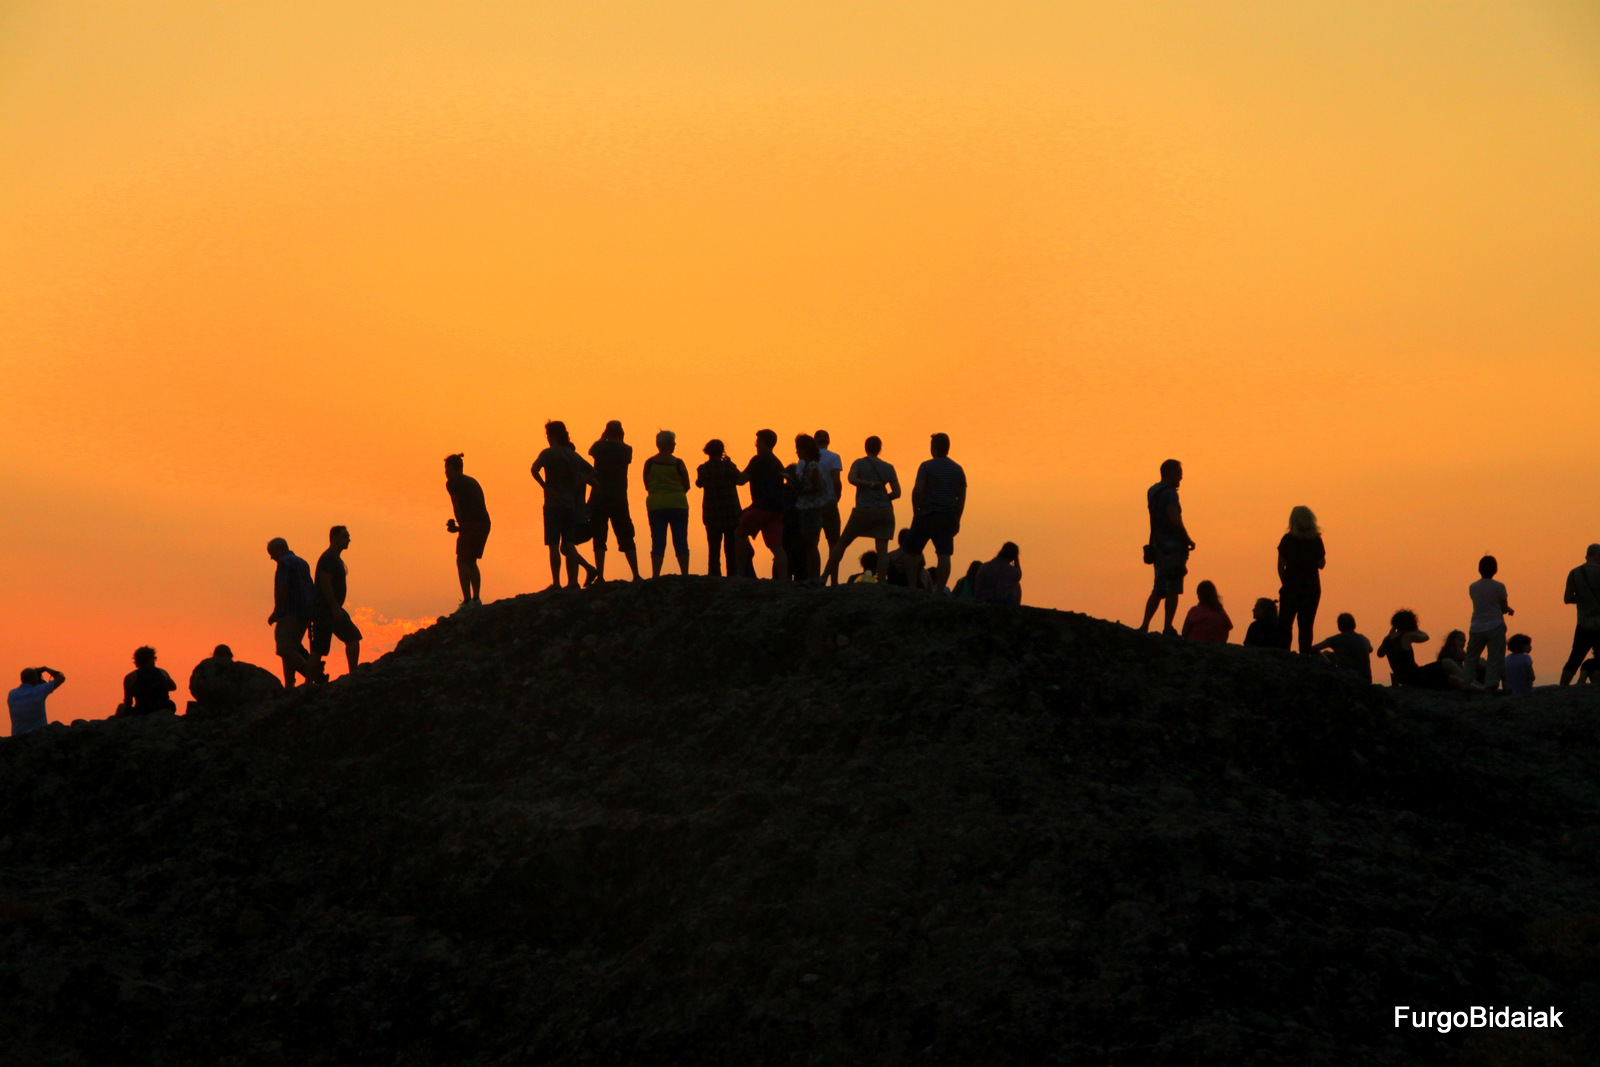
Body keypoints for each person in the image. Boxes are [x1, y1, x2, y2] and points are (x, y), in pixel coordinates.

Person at [821, 436, 901, 585]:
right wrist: (884, 498)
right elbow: (897, 492)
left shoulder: (859, 463)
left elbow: (851, 479)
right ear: (879, 449)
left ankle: (825, 576)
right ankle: (882, 582)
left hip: (863, 509)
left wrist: (869, 484)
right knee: (882, 550)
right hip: (885, 511)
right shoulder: (889, 468)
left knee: (841, 543)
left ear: (865, 447)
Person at [531, 420, 599, 589]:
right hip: (570, 505)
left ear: (552, 435)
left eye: (548, 435)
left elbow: (534, 469)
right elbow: (593, 471)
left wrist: (545, 487)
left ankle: (556, 582)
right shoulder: (573, 455)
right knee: (569, 543)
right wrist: (578, 482)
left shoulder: (548, 453)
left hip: (553, 504)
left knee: (554, 544)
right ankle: (573, 581)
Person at [1139, 459, 1195, 636]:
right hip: (1172, 546)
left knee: (1158, 588)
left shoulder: (1152, 491)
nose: (1181, 478)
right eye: (1179, 474)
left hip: (1157, 545)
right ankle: (1167, 627)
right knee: (1173, 588)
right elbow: (1174, 518)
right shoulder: (1170, 494)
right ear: (1170, 473)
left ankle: (1144, 625)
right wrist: (1187, 539)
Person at [905, 433, 967, 592]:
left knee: (911, 551)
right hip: (947, 517)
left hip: (926, 514)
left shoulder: (926, 466)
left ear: (934, 448)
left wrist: (916, 512)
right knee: (944, 554)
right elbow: (961, 499)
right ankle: (939, 589)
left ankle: (912, 586)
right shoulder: (958, 470)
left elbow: (917, 491)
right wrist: (957, 519)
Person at [587, 421, 642, 582]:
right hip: (619, 498)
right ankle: (636, 574)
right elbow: (627, 457)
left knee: (599, 536)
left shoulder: (599, 447)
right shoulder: (626, 449)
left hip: (599, 497)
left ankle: (601, 575)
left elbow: (591, 450)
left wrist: (602, 438)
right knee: (626, 535)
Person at [266, 537, 326, 687]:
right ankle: (290, 685)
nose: (271, 557)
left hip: (290, 612)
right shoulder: (302, 562)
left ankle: (314, 675)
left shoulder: (284, 563)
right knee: (291, 649)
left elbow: (282, 588)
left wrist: (276, 611)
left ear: (280, 549)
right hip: (304, 613)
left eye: (272, 553)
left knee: (284, 648)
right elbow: (310, 587)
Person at [734, 429, 789, 580]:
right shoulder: (778, 462)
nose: (756, 444)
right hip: (777, 509)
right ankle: (784, 579)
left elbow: (741, 480)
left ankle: (740, 573)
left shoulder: (758, 460)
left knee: (739, 534)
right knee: (776, 546)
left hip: (760, 507)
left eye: (758, 440)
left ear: (764, 442)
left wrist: (732, 470)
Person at [310, 525, 362, 677]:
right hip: (326, 609)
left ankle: (353, 673)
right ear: (334, 538)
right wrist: (334, 608)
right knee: (321, 647)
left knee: (350, 638)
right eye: (345, 536)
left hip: (330, 609)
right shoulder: (328, 558)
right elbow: (325, 583)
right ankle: (353, 674)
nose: (349, 540)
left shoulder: (335, 558)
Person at [1377, 610, 1468, 690]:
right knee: (1448, 664)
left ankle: (1475, 685)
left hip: (1403, 678)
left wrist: (1388, 637)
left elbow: (1380, 654)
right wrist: (1415, 629)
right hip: (1415, 675)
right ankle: (1471, 683)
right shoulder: (1407, 636)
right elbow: (1425, 637)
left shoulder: (1387, 639)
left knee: (1449, 677)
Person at [643, 430, 692, 577]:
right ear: (669, 444)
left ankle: (656, 574)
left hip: (656, 504)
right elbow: (687, 484)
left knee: (657, 540)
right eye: (674, 442)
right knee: (680, 539)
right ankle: (685, 573)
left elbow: (647, 484)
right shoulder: (678, 463)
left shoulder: (650, 463)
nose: (675, 445)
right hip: (678, 503)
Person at [1277, 506, 1326, 654]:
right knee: (1306, 625)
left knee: (1285, 624)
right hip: (1311, 587)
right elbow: (1321, 564)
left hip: (1290, 587)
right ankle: (1305, 655)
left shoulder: (1287, 539)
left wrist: (1285, 582)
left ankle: (1284, 654)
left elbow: (1280, 566)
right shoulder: (1316, 540)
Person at [444, 453, 490, 609]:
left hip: (471, 522)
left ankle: (467, 601)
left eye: (446, 468)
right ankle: (476, 599)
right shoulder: (472, 480)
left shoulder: (452, 482)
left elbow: (456, 504)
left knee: (462, 560)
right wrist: (461, 526)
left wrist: (460, 525)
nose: (445, 472)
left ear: (452, 468)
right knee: (471, 561)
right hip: (484, 522)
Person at [1464, 555, 1513, 691]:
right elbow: (1502, 608)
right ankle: (1491, 684)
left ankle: (1466, 681)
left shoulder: (1473, 587)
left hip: (1476, 626)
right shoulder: (1499, 586)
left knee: (1471, 658)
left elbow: (1482, 604)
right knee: (1494, 657)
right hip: (1495, 625)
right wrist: (1508, 610)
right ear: (1496, 570)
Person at [696, 439, 742, 577]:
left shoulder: (703, 469)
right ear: (722, 451)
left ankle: (714, 574)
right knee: (731, 549)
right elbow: (739, 479)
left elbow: (699, 483)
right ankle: (732, 575)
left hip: (712, 514)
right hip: (731, 513)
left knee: (714, 549)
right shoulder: (728, 467)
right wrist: (729, 462)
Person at [789, 434, 829, 584]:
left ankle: (813, 577)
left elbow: (816, 486)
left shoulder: (811, 466)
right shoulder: (810, 465)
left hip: (811, 509)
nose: (797, 452)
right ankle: (812, 577)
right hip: (809, 508)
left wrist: (799, 491)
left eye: (798, 449)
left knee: (811, 544)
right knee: (810, 544)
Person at [1561, 544, 1600, 686]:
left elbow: (1567, 599)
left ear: (1587, 556)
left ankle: (1562, 687)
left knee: (1575, 658)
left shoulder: (1574, 573)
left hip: (1583, 622)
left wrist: (1582, 598)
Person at [1313, 613, 1374, 683]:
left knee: (1322, 654)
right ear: (1354, 625)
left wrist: (1325, 656)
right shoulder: (1364, 639)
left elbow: (1312, 649)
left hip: (1347, 679)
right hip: (1366, 680)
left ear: (1339, 626)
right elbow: (1370, 649)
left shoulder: (1336, 639)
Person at [814, 429, 845, 561]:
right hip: (829, 501)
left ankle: (813, 576)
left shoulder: (805, 460)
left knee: (812, 544)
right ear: (828, 441)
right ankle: (833, 579)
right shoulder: (834, 457)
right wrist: (837, 497)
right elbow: (836, 481)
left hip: (812, 503)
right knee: (834, 543)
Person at [117, 646, 176, 716]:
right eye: (154, 658)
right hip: (164, 708)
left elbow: (128, 702)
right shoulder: (162, 673)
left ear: (137, 661)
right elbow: (173, 687)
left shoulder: (130, 677)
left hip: (142, 710)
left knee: (121, 707)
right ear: (150, 659)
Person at [8, 667, 65, 737]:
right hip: (38, 736)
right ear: (33, 678)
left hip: (17, 737)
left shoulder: (12, 694)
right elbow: (61, 678)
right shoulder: (40, 690)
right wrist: (45, 669)